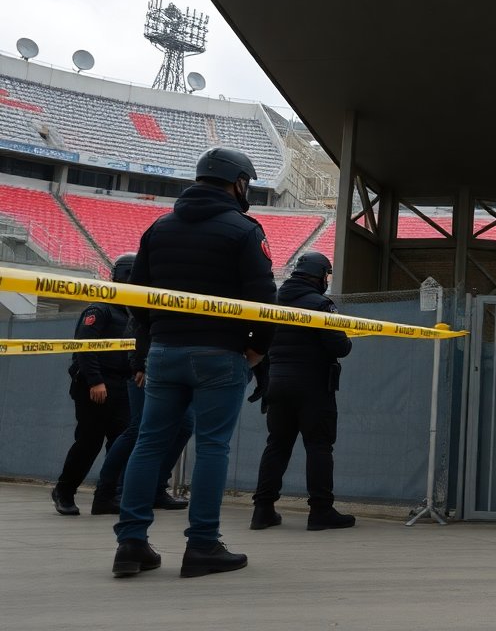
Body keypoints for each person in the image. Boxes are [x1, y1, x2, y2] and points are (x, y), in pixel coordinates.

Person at [112, 147, 276, 579]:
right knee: (212, 447)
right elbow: (264, 300)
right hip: (220, 352)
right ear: (239, 183)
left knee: (149, 443)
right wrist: (257, 349)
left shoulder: (158, 228)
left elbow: (137, 299)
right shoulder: (244, 230)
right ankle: (202, 545)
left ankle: (130, 543)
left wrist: (152, 343)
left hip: (165, 351)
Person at [251, 252, 355, 531]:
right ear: (320, 275)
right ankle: (321, 511)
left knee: (277, 445)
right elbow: (340, 347)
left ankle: (262, 510)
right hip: (313, 386)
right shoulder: (321, 304)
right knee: (319, 447)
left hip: (277, 384)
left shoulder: (272, 301)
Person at [51, 253, 136, 516]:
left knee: (121, 442)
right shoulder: (99, 309)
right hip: (95, 384)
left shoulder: (130, 313)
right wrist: (95, 381)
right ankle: (64, 491)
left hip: (122, 385)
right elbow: (85, 349)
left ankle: (105, 497)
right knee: (89, 441)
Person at [89, 313, 193, 516]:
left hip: (172, 364)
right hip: (147, 366)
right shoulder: (150, 289)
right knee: (138, 429)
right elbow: (139, 324)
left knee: (184, 425)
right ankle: (107, 492)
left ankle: (156, 489)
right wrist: (138, 363)